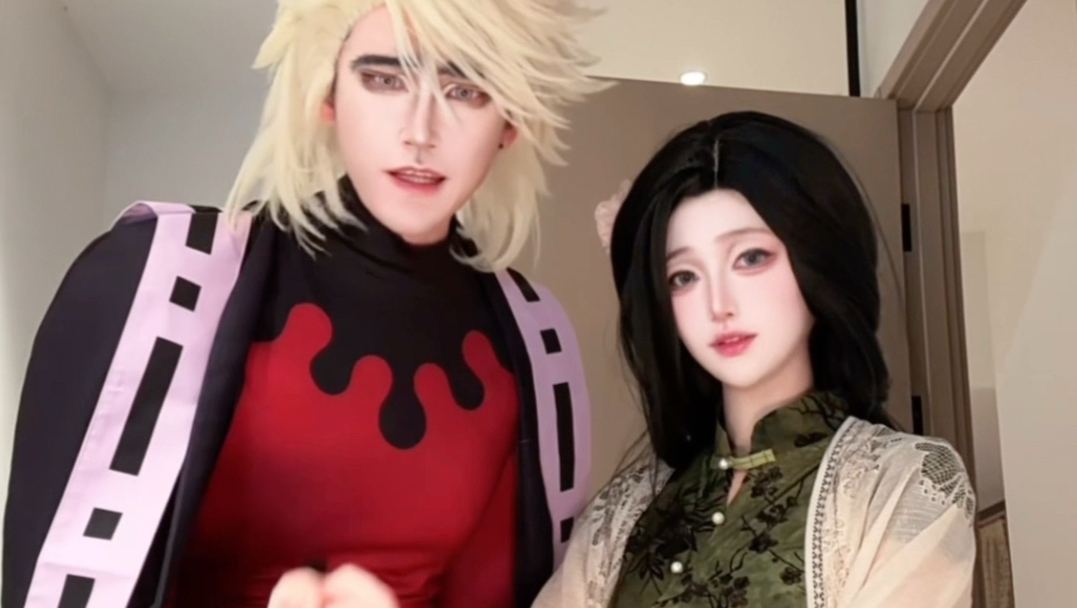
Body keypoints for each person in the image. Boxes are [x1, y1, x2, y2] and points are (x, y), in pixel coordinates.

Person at [2, 1, 605, 607]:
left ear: (510, 121)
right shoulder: (151, 272)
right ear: (328, 95)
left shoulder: (534, 341)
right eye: (384, 80)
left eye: (465, 90)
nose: (421, 132)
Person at [532, 111, 978, 608]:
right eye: (684, 276)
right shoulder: (624, 512)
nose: (718, 304)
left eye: (750, 258)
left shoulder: (900, 485)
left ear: (817, 257)